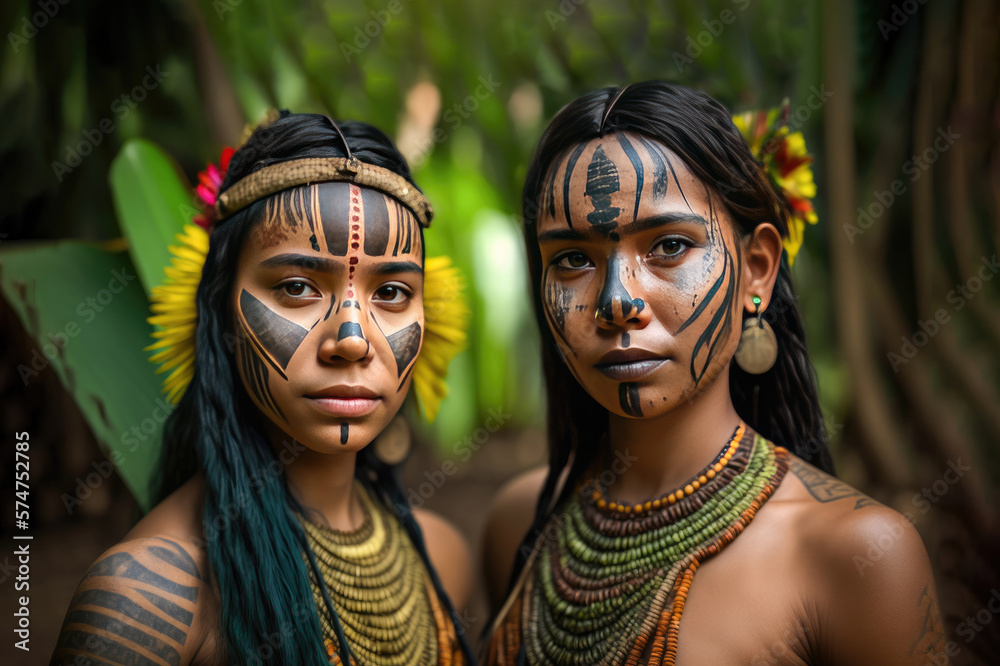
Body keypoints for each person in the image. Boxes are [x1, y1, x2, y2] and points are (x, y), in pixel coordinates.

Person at [482, 82, 945, 665]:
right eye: (572, 259)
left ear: (757, 269)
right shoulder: (519, 526)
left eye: (669, 246)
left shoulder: (859, 557)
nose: (617, 301)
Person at [51, 113, 474, 665]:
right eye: (297, 286)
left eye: (392, 292)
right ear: (219, 316)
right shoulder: (149, 601)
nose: (352, 339)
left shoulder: (444, 559)